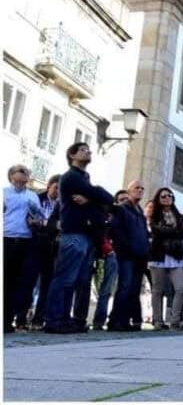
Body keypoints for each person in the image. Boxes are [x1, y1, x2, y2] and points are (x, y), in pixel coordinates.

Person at [44, 143, 114, 334]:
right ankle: (54, 319)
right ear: (72, 155)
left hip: (86, 235)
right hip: (74, 234)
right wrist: (95, 195)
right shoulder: (72, 177)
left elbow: (105, 200)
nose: (88, 152)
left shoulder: (85, 179)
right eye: (83, 149)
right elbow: (103, 196)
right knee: (65, 278)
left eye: (89, 150)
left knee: (76, 280)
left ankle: (66, 319)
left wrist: (91, 199)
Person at [4, 165, 44, 333]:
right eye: (18, 177)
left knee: (18, 282)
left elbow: (41, 217)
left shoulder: (32, 196)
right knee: (4, 280)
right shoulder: (4, 193)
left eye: (24, 177)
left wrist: (36, 222)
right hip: (5, 237)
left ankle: (8, 320)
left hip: (25, 240)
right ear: (11, 177)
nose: (21, 180)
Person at [107, 181, 150, 331]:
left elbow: (144, 234)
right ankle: (115, 321)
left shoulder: (140, 213)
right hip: (127, 255)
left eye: (142, 188)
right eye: (136, 188)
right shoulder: (122, 209)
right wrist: (125, 248)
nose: (140, 190)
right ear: (129, 191)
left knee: (133, 289)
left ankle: (125, 320)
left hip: (140, 256)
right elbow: (114, 230)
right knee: (124, 287)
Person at [148, 187, 183, 329]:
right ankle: (158, 321)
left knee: (181, 288)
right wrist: (173, 231)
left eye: (170, 195)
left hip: (175, 254)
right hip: (158, 254)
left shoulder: (178, 215)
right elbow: (156, 230)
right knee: (157, 290)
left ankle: (175, 320)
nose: (167, 198)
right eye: (164, 196)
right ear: (158, 199)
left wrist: (168, 231)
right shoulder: (154, 215)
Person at [91, 191, 126, 330]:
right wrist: (108, 249)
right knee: (104, 289)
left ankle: (113, 319)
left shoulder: (126, 216)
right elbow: (101, 234)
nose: (124, 201)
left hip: (123, 255)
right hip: (107, 255)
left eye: (126, 199)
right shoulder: (109, 216)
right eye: (121, 199)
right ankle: (99, 320)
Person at [30, 174, 61, 330]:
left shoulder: (62, 205)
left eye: (60, 189)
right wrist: (47, 224)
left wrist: (46, 224)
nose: (57, 191)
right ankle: (21, 316)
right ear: (49, 185)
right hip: (34, 244)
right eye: (56, 187)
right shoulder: (36, 199)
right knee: (29, 282)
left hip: (52, 247)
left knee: (47, 285)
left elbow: (59, 225)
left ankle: (38, 318)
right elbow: (30, 219)